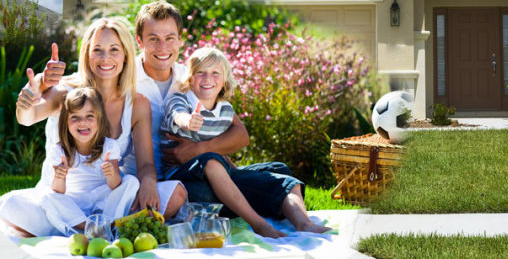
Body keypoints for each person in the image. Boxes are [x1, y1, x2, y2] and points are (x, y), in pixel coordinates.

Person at [0, 17, 185, 237]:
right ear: (87, 54)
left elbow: (145, 163)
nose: (106, 58)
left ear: (126, 54)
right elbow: (28, 117)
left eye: (114, 49)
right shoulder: (67, 93)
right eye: (98, 50)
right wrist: (29, 96)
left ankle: (74, 229)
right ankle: (101, 229)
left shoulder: (137, 103)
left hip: (108, 199)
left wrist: (148, 183)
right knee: (9, 204)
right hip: (62, 196)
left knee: (176, 194)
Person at [162, 47, 328, 237]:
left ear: (224, 80)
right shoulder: (181, 100)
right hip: (185, 179)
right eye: (201, 72)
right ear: (190, 78)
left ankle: (304, 224)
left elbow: (231, 143)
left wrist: (233, 170)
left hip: (217, 173)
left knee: (281, 173)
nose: (208, 78)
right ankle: (258, 223)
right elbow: (177, 114)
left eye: (215, 73)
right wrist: (188, 121)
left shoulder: (224, 110)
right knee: (212, 162)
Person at [41, 87, 139, 235]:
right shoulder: (60, 151)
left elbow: (115, 185)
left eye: (89, 116)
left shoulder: (109, 146)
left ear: (99, 120)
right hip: (75, 202)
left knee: (132, 182)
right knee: (48, 196)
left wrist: (111, 174)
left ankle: (108, 223)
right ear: (65, 123)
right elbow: (58, 191)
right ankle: (91, 227)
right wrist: (59, 177)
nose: (82, 122)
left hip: (103, 202)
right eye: (75, 117)